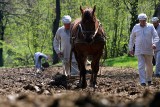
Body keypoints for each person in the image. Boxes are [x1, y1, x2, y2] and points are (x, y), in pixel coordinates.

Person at [128, 13, 159, 86]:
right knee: (141, 65)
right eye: (141, 21)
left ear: (146, 20)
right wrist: (131, 48)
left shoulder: (151, 26)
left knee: (149, 66)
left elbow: (156, 36)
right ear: (139, 20)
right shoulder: (136, 27)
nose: (142, 22)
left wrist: (154, 43)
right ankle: (142, 81)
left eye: (144, 20)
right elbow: (132, 38)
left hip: (149, 49)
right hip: (139, 49)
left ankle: (149, 79)